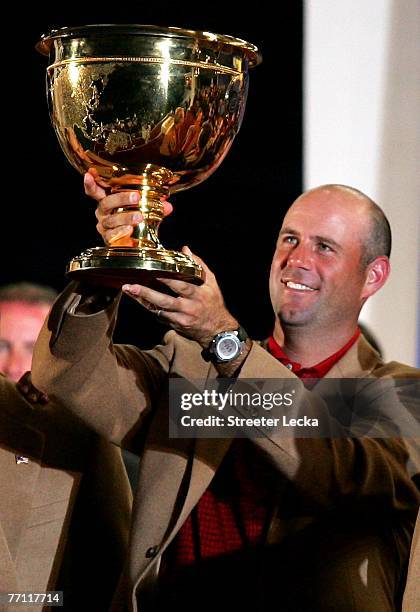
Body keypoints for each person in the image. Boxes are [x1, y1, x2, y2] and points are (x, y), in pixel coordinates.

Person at [31, 179, 420, 611]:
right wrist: (113, 264)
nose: (296, 259)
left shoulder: (395, 393)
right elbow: (69, 374)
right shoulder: (192, 371)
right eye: (289, 239)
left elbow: (334, 471)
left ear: (373, 275)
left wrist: (224, 341)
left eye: (325, 247)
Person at [0, 282, 132, 609]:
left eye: (32, 347)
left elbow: (107, 572)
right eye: (1, 345)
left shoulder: (87, 435)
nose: (16, 363)